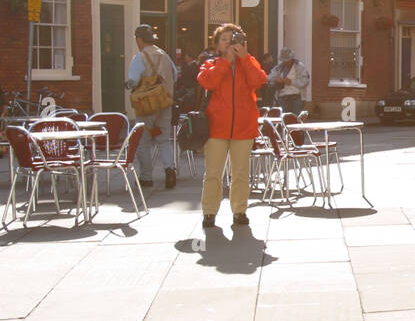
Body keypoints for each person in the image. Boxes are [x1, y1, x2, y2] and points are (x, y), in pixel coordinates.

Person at [196, 23, 267, 228]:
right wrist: (225, 62)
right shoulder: (210, 63)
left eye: (232, 39)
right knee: (213, 173)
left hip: (243, 127)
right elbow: (208, 82)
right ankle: (209, 212)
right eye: (224, 40)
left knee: (241, 173)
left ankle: (239, 210)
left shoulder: (249, 61)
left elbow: (258, 80)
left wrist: (243, 58)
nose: (229, 43)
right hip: (216, 127)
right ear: (217, 45)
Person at [125, 24, 179, 190]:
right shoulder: (164, 55)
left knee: (144, 141)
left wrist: (129, 85)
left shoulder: (139, 57)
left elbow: (133, 80)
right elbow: (175, 75)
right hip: (164, 103)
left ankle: (146, 177)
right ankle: (169, 169)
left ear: (139, 40)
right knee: (163, 139)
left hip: (146, 106)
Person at [269, 48, 310, 113]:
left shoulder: (300, 67)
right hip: (282, 97)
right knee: (283, 118)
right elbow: (269, 78)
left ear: (291, 59)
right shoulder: (279, 67)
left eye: (287, 60)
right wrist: (276, 80)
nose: (286, 62)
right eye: (284, 60)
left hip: (296, 97)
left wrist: (291, 82)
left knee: (295, 119)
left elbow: (305, 81)